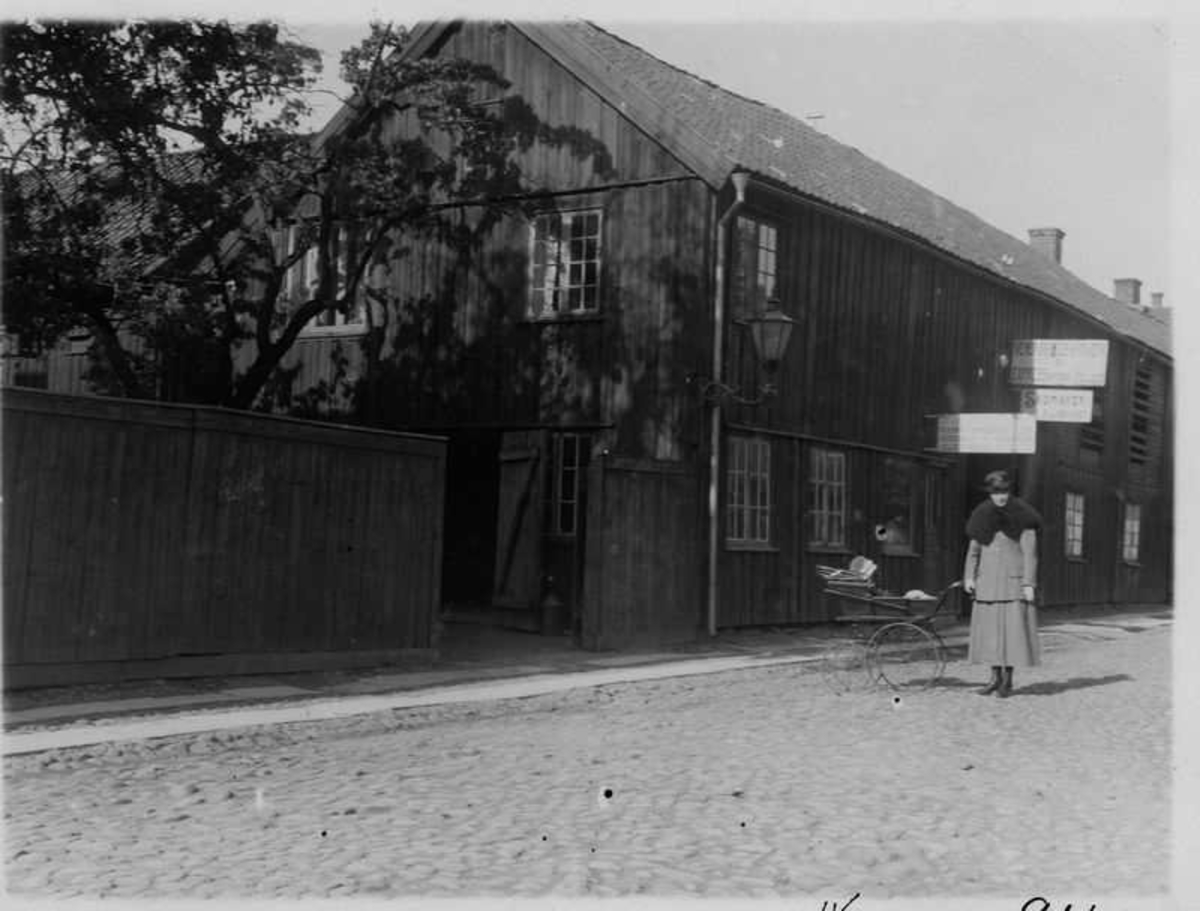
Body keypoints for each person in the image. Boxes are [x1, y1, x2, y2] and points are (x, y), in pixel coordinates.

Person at [962, 470, 1042, 697]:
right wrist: (969, 577)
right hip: (987, 584)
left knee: (1012, 635)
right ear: (990, 493)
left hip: (1012, 586)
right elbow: (973, 552)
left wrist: (1029, 584)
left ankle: (1007, 681)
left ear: (1010, 491)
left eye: (1004, 491)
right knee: (991, 635)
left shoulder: (1024, 516)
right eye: (996, 492)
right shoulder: (981, 516)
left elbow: (1030, 555)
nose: (1001, 496)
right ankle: (994, 678)